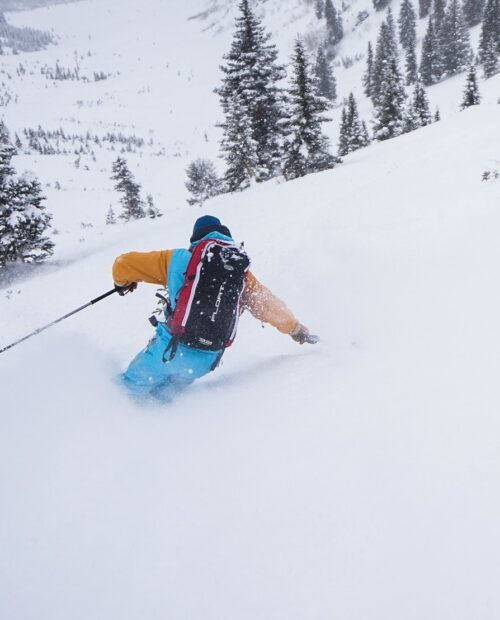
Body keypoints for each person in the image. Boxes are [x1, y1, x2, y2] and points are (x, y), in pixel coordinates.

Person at [113, 215, 316, 399]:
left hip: (168, 350)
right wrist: (296, 329)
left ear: (195, 239)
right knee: (162, 399)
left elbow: (123, 264)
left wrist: (123, 283)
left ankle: (116, 431)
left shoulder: (178, 259)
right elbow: (270, 307)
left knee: (125, 394)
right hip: (204, 361)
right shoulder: (241, 275)